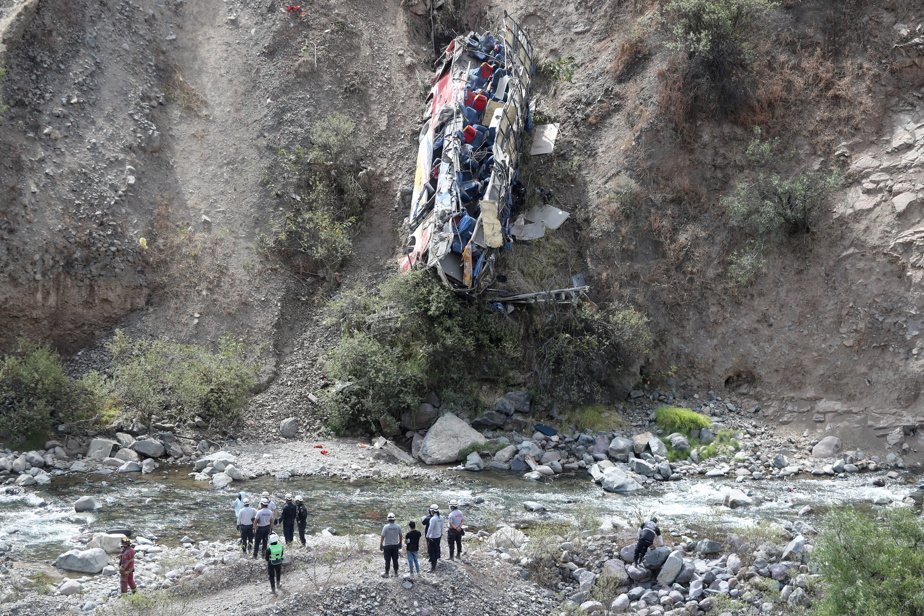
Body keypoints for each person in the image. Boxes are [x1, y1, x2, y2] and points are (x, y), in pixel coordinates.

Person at [380, 512, 403, 578]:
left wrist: (381, 544)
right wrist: (400, 543)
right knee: (395, 559)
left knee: (387, 560)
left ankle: (387, 573)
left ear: (388, 519)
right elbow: (401, 535)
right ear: (394, 519)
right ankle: (396, 573)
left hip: (387, 546)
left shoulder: (385, 527)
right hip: (395, 546)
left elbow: (382, 536)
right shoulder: (398, 526)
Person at [424, 504, 443, 572]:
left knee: (432, 552)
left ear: (432, 511)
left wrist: (427, 536)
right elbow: (442, 527)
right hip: (438, 536)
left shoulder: (433, 519)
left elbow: (430, 529)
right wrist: (441, 533)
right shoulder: (441, 517)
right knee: (436, 549)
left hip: (432, 537)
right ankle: (436, 562)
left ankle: (433, 567)